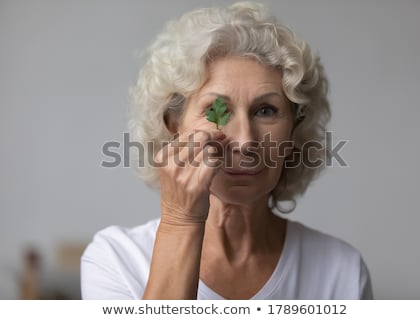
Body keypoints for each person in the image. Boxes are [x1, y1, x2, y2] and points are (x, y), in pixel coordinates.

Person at [81, 1, 373, 300]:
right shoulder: (116, 261)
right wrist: (180, 221)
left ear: (294, 131)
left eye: (265, 110)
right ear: (173, 126)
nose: (245, 141)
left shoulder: (342, 272)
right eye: (217, 110)